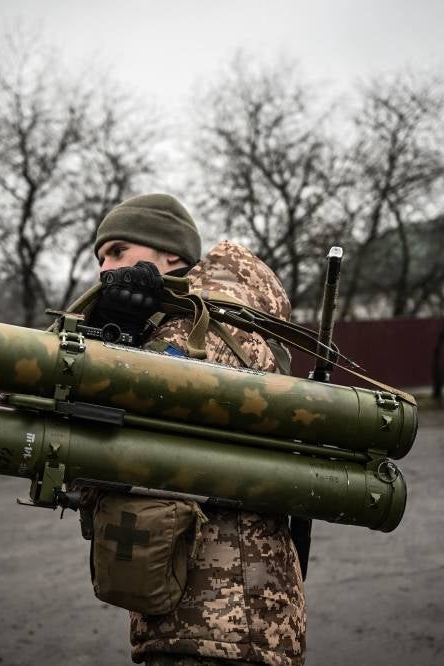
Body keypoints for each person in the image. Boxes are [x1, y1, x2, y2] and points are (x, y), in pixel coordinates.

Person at [84, 193, 306, 666]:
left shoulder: (211, 325)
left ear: (171, 255)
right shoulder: (170, 325)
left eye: (119, 251)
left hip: (224, 615)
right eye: (100, 258)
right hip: (204, 616)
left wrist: (114, 344)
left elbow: (124, 436)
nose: (105, 268)